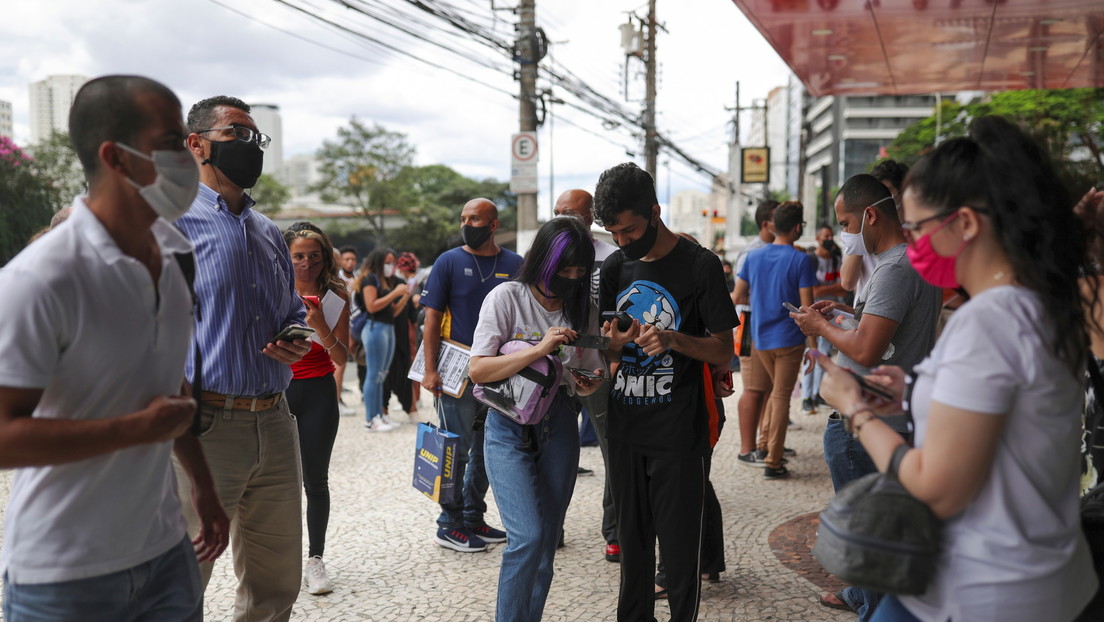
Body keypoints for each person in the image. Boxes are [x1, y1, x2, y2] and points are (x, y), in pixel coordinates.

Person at [815, 116, 1097, 621]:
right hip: (1046, 576)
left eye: (919, 227)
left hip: (984, 589)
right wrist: (913, 388)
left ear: (965, 224)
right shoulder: (1041, 302)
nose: (914, 241)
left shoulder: (989, 320)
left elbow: (937, 487)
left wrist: (855, 409)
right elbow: (1004, 406)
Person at [0, 74, 228, 621]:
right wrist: (135, 429)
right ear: (116, 157)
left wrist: (203, 485)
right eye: (170, 142)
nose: (188, 156)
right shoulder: (41, 278)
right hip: (65, 574)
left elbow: (167, 385)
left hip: (165, 552)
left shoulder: (172, 256)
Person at [176, 95, 311, 622]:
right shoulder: (170, 225)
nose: (250, 145)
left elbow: (291, 310)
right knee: (182, 578)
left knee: (276, 584)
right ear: (196, 144)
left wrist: (296, 338)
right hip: (204, 425)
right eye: (236, 133)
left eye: (256, 136)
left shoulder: (268, 230)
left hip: (275, 421)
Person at [790, 174, 941, 618]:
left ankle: (872, 609)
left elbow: (868, 349)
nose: (844, 235)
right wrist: (846, 314)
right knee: (879, 531)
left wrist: (820, 327)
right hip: (892, 415)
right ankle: (863, 596)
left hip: (867, 424)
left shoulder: (894, 269)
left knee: (870, 540)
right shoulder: (915, 260)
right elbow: (887, 333)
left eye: (846, 223)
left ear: (870, 215)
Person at [594, 162, 737, 622]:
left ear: (655, 212)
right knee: (632, 551)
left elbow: (724, 350)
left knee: (679, 556)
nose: (622, 241)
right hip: (625, 428)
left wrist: (673, 339)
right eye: (613, 232)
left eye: (630, 230)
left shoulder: (700, 265)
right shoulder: (615, 266)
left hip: (679, 432)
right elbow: (607, 348)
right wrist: (613, 347)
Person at [468, 216, 604, 622]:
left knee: (545, 545)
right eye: (565, 270)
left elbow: (585, 379)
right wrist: (538, 349)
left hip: (559, 422)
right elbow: (478, 370)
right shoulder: (506, 297)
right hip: (506, 425)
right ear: (543, 260)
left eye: (579, 272)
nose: (571, 279)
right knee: (526, 537)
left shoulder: (582, 307)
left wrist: (588, 381)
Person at [420, 198, 522, 552]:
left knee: (485, 451)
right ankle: (448, 523)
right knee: (455, 449)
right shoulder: (448, 262)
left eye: (475, 219)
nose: (467, 225)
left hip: (499, 369)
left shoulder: (514, 264)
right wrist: (430, 370)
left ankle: (473, 516)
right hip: (457, 370)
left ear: (493, 224)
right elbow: (431, 319)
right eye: (463, 218)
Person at [552, 188, 621, 562]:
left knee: (613, 450)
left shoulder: (611, 257)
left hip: (597, 365)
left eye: (569, 212)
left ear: (590, 216)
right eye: (557, 212)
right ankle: (550, 527)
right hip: (555, 366)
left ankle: (615, 532)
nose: (561, 218)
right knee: (553, 452)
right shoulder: (545, 256)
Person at [283, 223, 350, 595]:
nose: (306, 263)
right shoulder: (273, 287)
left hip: (318, 393)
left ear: (325, 256)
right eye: (298, 256)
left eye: (314, 255)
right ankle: (282, 560)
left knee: (315, 480)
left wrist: (321, 325)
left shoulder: (335, 295)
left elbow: (342, 356)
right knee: (277, 482)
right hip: (276, 391)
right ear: (286, 256)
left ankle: (315, 560)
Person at [732, 201, 817, 479]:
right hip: (789, 339)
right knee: (780, 396)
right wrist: (814, 347)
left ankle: (764, 444)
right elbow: (807, 309)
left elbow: (737, 295)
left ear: (773, 226)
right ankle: (773, 460)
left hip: (760, 338)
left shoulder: (754, 257)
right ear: (797, 228)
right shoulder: (801, 259)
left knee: (774, 392)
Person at [731, 200, 777, 467]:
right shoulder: (751, 252)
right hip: (750, 323)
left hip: (770, 323)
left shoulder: (778, 249)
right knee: (753, 388)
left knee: (769, 388)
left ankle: (765, 442)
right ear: (766, 223)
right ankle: (747, 449)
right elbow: (739, 294)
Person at [357, 247, 410, 431]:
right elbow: (371, 306)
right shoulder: (369, 278)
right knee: (374, 374)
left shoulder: (383, 281)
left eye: (393, 263)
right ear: (378, 262)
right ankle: (370, 419)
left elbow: (392, 312)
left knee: (381, 374)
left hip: (387, 328)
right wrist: (395, 293)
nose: (391, 266)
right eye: (388, 262)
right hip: (375, 328)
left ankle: (379, 414)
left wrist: (404, 296)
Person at [801, 224, 845, 413]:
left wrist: (823, 289)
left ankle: (817, 394)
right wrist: (833, 288)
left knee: (824, 354)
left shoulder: (836, 259)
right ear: (818, 238)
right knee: (812, 351)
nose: (829, 239)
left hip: (831, 312)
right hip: (813, 311)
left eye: (831, 236)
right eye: (825, 236)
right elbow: (813, 291)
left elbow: (844, 288)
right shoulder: (811, 260)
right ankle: (806, 397)